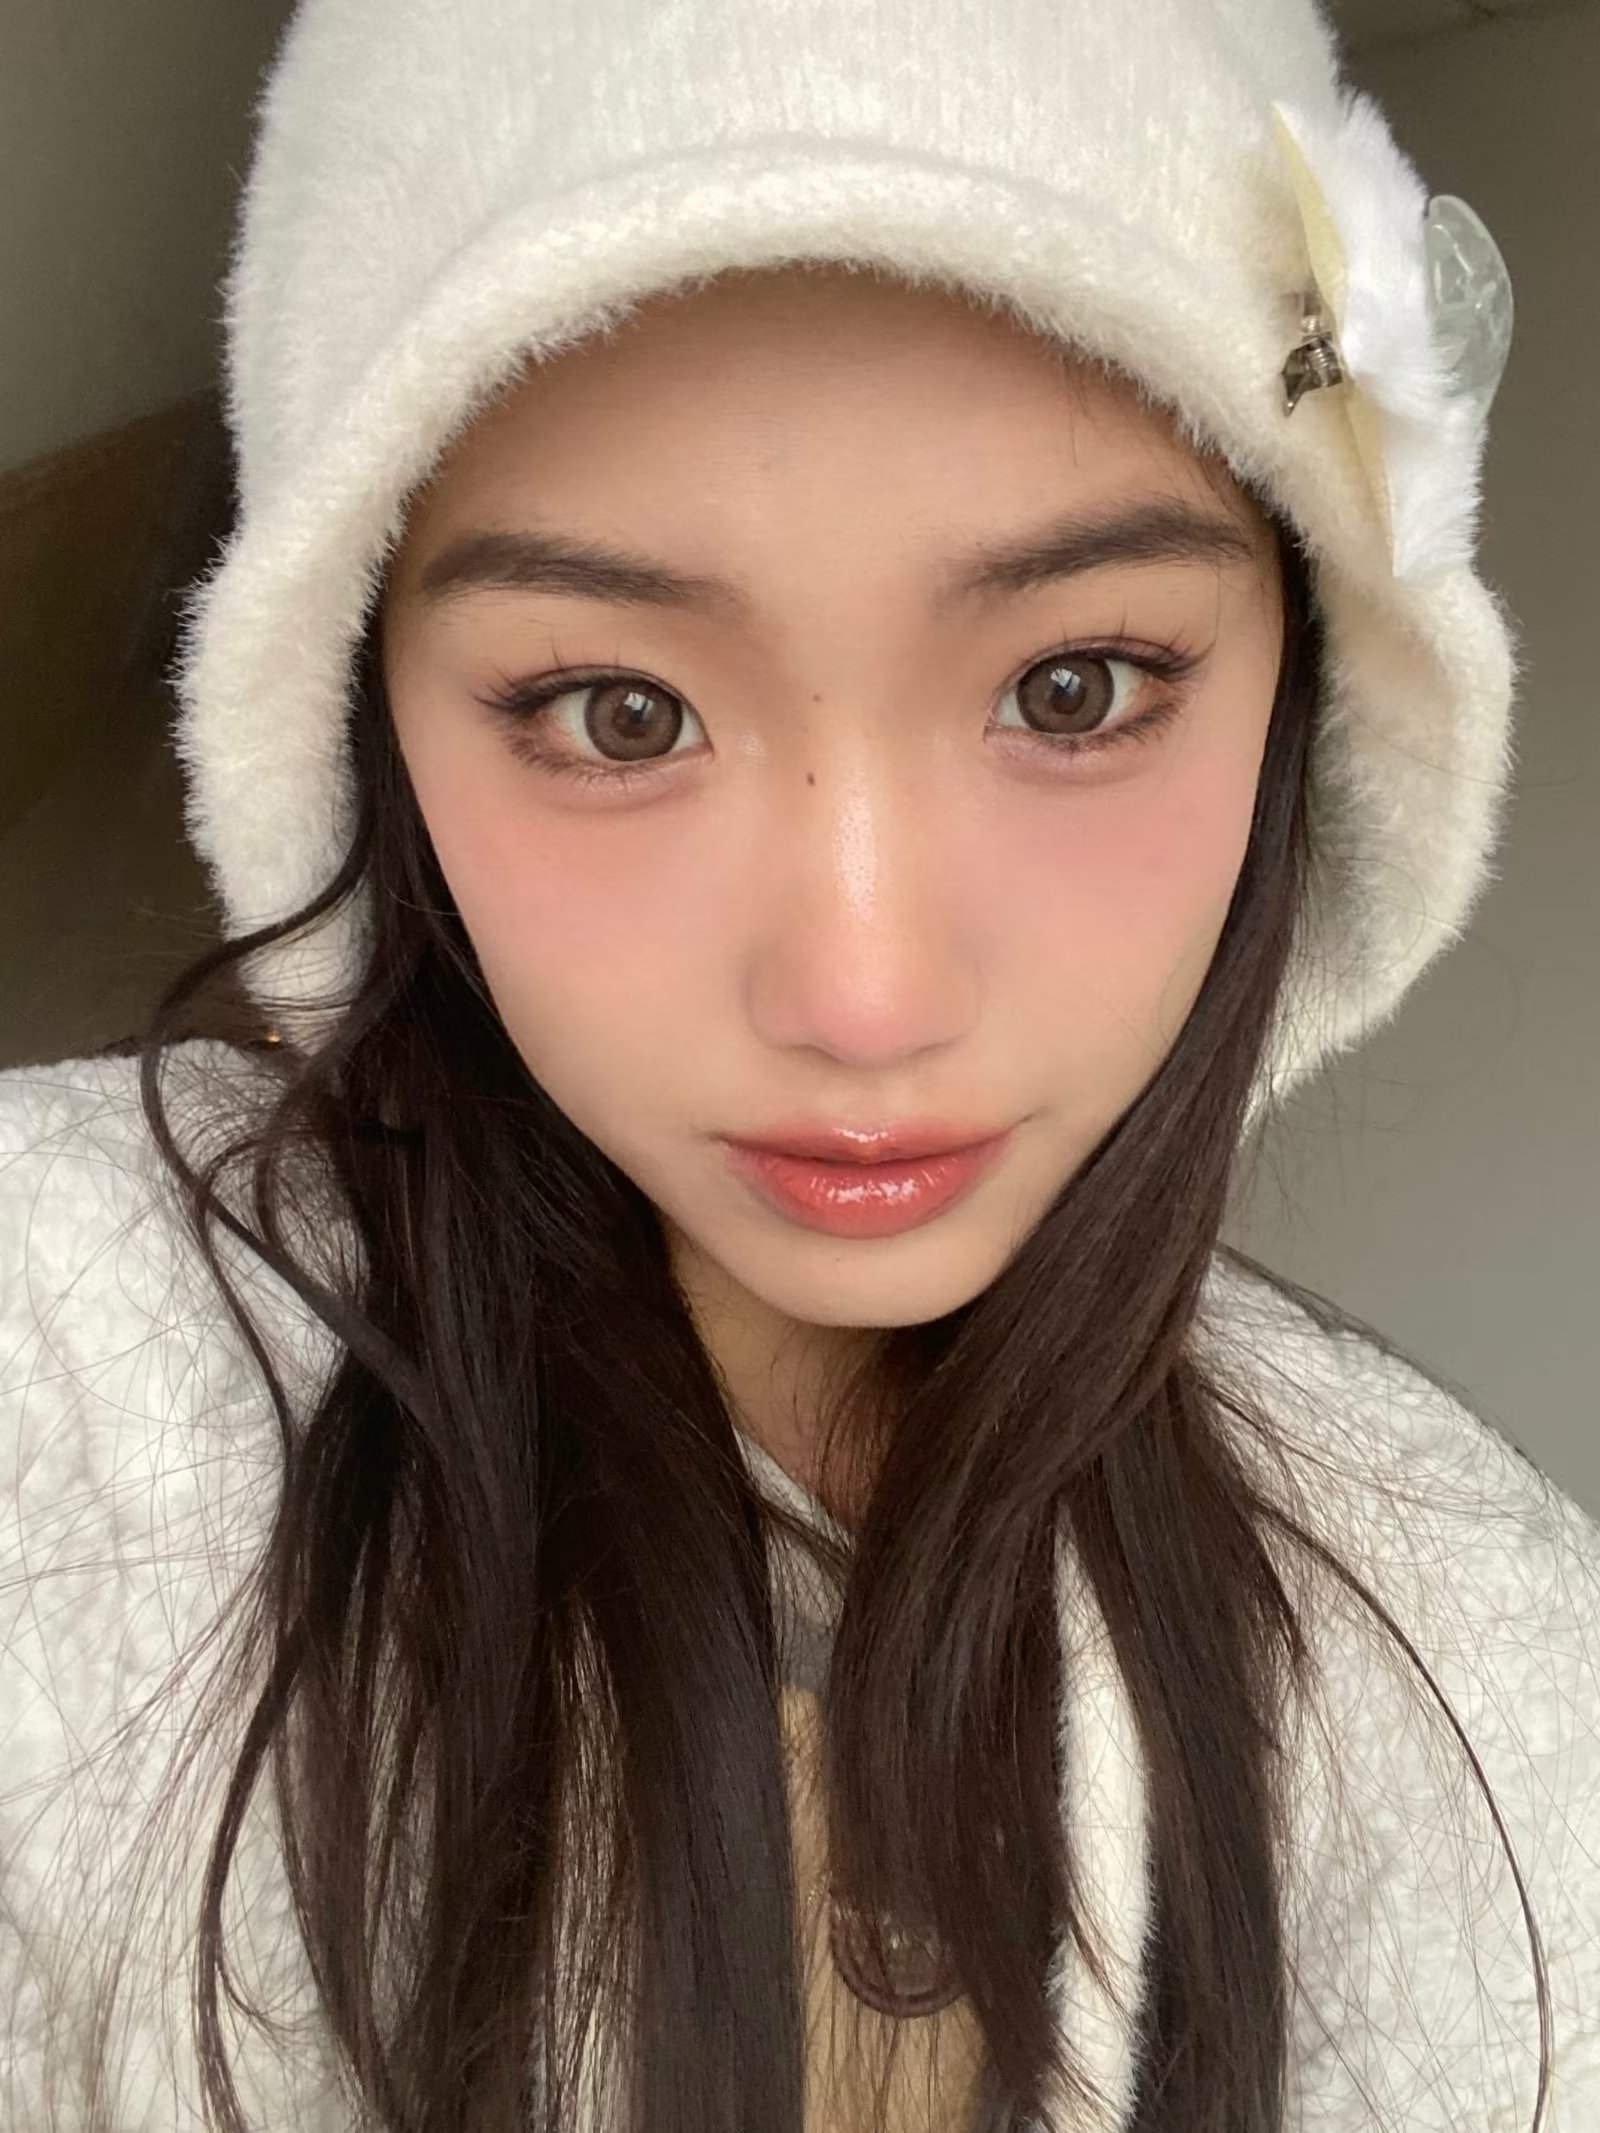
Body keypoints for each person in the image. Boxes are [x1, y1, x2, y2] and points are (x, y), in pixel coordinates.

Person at [2, 0, 1594, 2127]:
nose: (862, 996)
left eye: (1074, 683)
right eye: (618, 712)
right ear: (363, 722)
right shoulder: (58, 1358)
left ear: (1305, 693)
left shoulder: (1487, 1654)